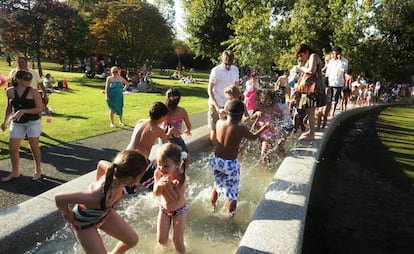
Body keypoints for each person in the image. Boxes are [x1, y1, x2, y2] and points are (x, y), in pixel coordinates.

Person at [55, 150, 148, 254]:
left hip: (103, 214)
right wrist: (67, 213)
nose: (140, 181)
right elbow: (59, 198)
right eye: (140, 177)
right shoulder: (95, 196)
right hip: (84, 223)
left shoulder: (114, 173)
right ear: (129, 179)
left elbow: (101, 164)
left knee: (132, 240)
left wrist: (98, 180)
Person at [210, 100, 269, 217]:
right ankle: (228, 218)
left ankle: (212, 207)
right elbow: (253, 137)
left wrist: (253, 119)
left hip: (216, 160)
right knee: (232, 194)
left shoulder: (219, 123)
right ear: (242, 114)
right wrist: (264, 127)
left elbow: (231, 126)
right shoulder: (241, 129)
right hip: (230, 165)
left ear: (227, 112)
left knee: (217, 184)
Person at [1, 70, 43, 182]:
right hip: (17, 122)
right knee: (13, 148)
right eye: (26, 78)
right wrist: (5, 122)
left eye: (30, 78)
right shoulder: (10, 91)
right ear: (18, 80)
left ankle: (38, 171)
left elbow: (40, 108)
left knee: (34, 146)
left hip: (32, 122)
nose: (29, 80)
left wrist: (24, 111)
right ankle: (15, 172)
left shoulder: (33, 92)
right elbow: (9, 108)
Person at [126, 102, 174, 191]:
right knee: (159, 183)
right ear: (162, 117)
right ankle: (164, 201)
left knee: (127, 186)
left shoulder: (141, 122)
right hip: (140, 161)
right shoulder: (157, 129)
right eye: (165, 117)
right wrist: (169, 132)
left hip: (126, 155)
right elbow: (166, 137)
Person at [153, 143, 188, 253]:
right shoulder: (158, 173)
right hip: (164, 210)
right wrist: (159, 185)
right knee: (161, 240)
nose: (162, 168)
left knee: (177, 240)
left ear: (177, 164)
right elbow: (156, 194)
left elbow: (177, 199)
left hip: (179, 211)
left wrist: (168, 186)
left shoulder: (180, 178)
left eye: (166, 166)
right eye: (159, 164)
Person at [207, 50, 240, 146]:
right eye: (226, 64)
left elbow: (236, 87)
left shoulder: (235, 69)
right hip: (216, 104)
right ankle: (215, 153)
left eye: (230, 64)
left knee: (228, 130)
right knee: (214, 130)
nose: (228, 66)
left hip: (229, 105)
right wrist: (217, 107)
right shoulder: (216, 70)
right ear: (222, 60)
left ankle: (224, 151)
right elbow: (210, 90)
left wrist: (237, 102)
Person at [294, 43, 325, 140]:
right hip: (312, 88)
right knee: (309, 110)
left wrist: (300, 67)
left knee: (311, 110)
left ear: (306, 51)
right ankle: (311, 131)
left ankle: (312, 134)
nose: (301, 57)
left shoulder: (313, 56)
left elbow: (311, 71)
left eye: (301, 55)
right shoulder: (311, 57)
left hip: (313, 88)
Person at [251, 90, 286, 164]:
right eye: (263, 98)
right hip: (260, 131)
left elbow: (282, 118)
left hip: (269, 132)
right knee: (262, 150)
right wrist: (257, 113)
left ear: (271, 99)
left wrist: (276, 114)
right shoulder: (259, 106)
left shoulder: (274, 107)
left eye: (266, 99)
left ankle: (266, 169)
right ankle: (267, 165)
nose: (264, 100)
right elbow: (252, 118)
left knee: (264, 153)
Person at [164, 88, 192, 169]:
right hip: (176, 138)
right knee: (187, 156)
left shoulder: (164, 110)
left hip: (165, 137)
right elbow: (188, 126)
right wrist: (187, 130)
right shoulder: (182, 111)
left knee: (167, 158)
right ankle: (183, 173)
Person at [325, 46, 348, 117]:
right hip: (330, 81)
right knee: (329, 98)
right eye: (333, 53)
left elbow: (343, 70)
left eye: (336, 54)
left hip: (338, 82)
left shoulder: (344, 61)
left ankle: (332, 112)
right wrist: (326, 80)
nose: (334, 55)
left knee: (335, 98)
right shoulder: (331, 61)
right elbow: (328, 71)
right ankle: (328, 111)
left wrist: (339, 60)